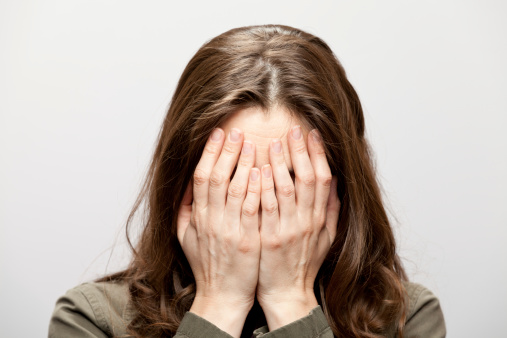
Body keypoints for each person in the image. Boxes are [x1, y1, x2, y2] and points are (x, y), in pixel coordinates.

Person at [48, 24, 446, 338]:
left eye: (289, 184)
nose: (260, 206)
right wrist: (219, 305)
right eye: (231, 180)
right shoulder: (90, 319)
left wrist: (290, 301)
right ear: (183, 182)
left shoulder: (409, 320)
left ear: (339, 188)